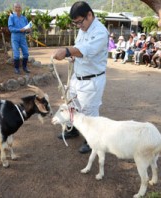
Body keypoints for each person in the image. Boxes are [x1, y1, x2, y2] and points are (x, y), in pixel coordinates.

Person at [53, 1, 108, 154]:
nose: (79, 26)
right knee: (73, 105)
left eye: (79, 22)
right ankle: (73, 129)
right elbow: (80, 49)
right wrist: (73, 57)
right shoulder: (84, 29)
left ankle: (91, 141)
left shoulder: (100, 32)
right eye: (76, 23)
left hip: (91, 80)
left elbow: (87, 49)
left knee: (89, 111)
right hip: (78, 77)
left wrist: (67, 51)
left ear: (89, 15)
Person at [8, 3, 31, 74]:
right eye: (16, 7)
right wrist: (19, 30)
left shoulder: (24, 18)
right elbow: (10, 28)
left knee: (26, 53)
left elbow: (28, 27)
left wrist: (28, 30)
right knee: (16, 54)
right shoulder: (11, 17)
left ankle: (25, 67)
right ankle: (16, 68)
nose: (18, 9)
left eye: (19, 7)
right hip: (15, 37)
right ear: (13, 8)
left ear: (21, 8)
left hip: (23, 37)